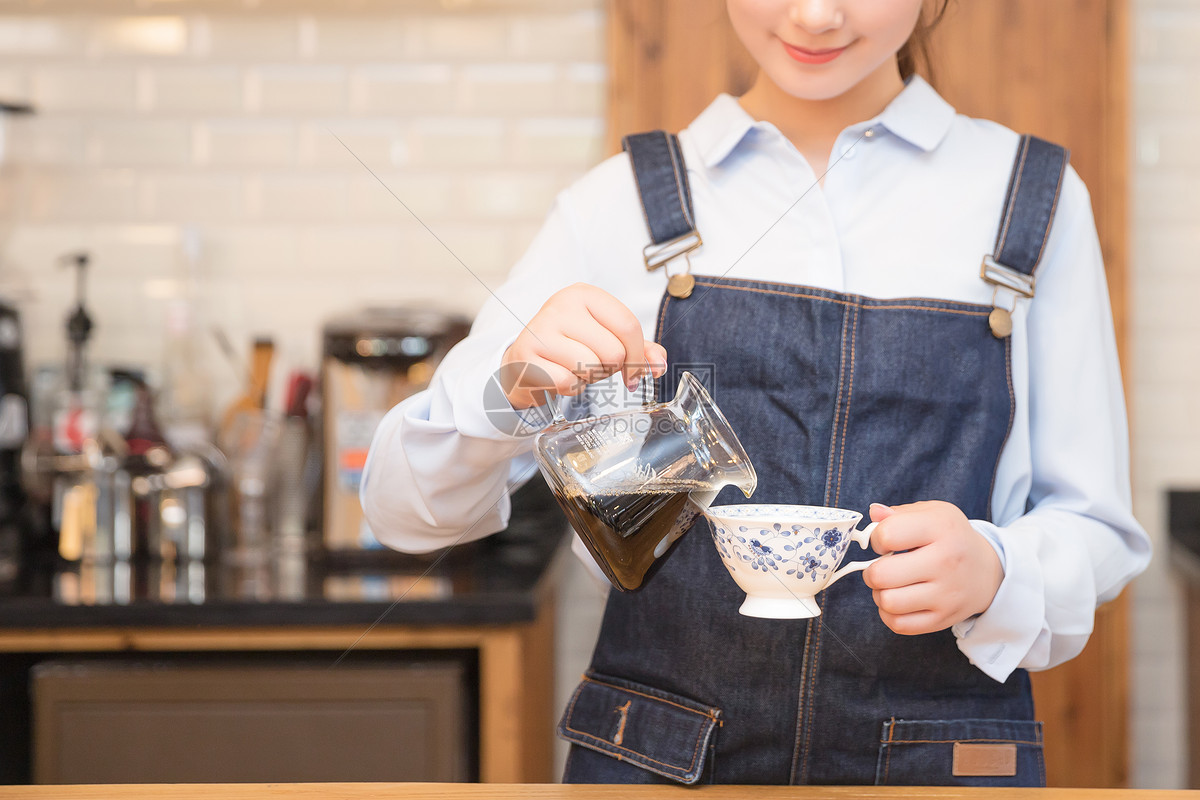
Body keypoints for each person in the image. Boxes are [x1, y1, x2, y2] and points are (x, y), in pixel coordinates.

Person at [361, 0, 1151, 786]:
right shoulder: (618, 205)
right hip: (660, 756)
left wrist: (997, 568)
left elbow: (1096, 527)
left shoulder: (1032, 198)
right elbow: (406, 513)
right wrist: (515, 383)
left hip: (939, 762)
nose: (816, 15)